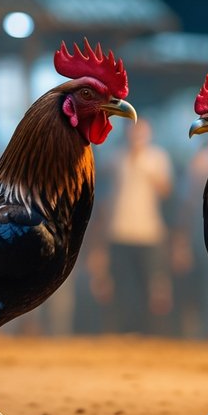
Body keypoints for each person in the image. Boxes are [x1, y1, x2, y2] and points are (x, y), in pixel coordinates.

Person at [89, 120, 173, 334]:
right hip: (119, 231)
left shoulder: (157, 158)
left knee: (151, 288)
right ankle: (124, 331)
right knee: (122, 286)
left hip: (148, 232)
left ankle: (150, 333)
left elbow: (166, 191)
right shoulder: (116, 157)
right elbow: (104, 194)